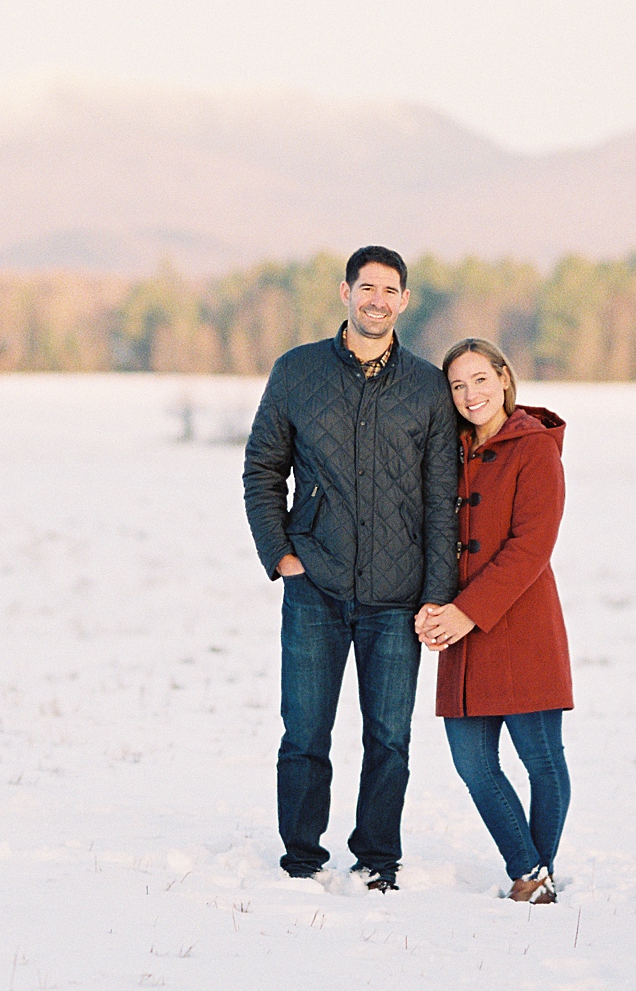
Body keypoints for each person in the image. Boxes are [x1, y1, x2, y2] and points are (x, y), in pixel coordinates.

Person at [243, 245, 461, 891]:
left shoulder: (426, 386)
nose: (377, 300)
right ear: (345, 292)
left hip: (397, 598)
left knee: (389, 738)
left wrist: (435, 593)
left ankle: (376, 858)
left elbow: (440, 500)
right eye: (366, 288)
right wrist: (280, 555)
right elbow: (261, 470)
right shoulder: (297, 371)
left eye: (389, 290)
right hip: (316, 583)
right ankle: (303, 857)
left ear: (404, 300)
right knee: (305, 732)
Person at [416, 338, 573, 904]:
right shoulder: (446, 450)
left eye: (480, 380)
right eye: (457, 385)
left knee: (541, 760)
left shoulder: (535, 450)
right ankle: (531, 867)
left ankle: (534, 877)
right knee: (473, 763)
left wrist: (466, 611)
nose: (470, 394)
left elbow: (532, 547)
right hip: (461, 632)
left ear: (504, 378)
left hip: (522, 626)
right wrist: (433, 605)